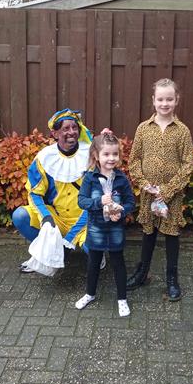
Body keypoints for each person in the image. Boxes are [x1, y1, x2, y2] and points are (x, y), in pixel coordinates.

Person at [126, 78, 193, 301]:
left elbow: (187, 164)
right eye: (161, 99)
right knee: (148, 233)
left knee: (171, 236)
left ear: (176, 100)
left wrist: (167, 190)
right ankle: (142, 273)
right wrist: (145, 184)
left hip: (171, 196)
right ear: (153, 100)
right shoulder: (143, 129)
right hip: (149, 194)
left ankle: (172, 279)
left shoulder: (182, 131)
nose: (165, 103)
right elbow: (134, 160)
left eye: (169, 99)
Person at [12, 109, 93, 266]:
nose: (72, 132)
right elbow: (35, 194)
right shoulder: (44, 158)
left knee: (94, 246)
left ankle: (95, 255)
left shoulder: (92, 155)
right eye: (66, 128)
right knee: (20, 216)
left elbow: (98, 197)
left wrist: (71, 236)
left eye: (74, 127)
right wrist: (45, 217)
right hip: (58, 218)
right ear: (55, 133)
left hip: (87, 219)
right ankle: (56, 252)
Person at [75, 129, 135, 316]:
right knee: (93, 263)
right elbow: (81, 201)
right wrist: (99, 202)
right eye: (106, 154)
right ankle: (90, 294)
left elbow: (131, 202)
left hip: (116, 229)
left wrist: (121, 211)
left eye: (115, 154)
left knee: (118, 263)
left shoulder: (121, 179)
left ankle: (122, 299)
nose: (111, 158)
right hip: (96, 229)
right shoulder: (89, 178)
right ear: (96, 155)